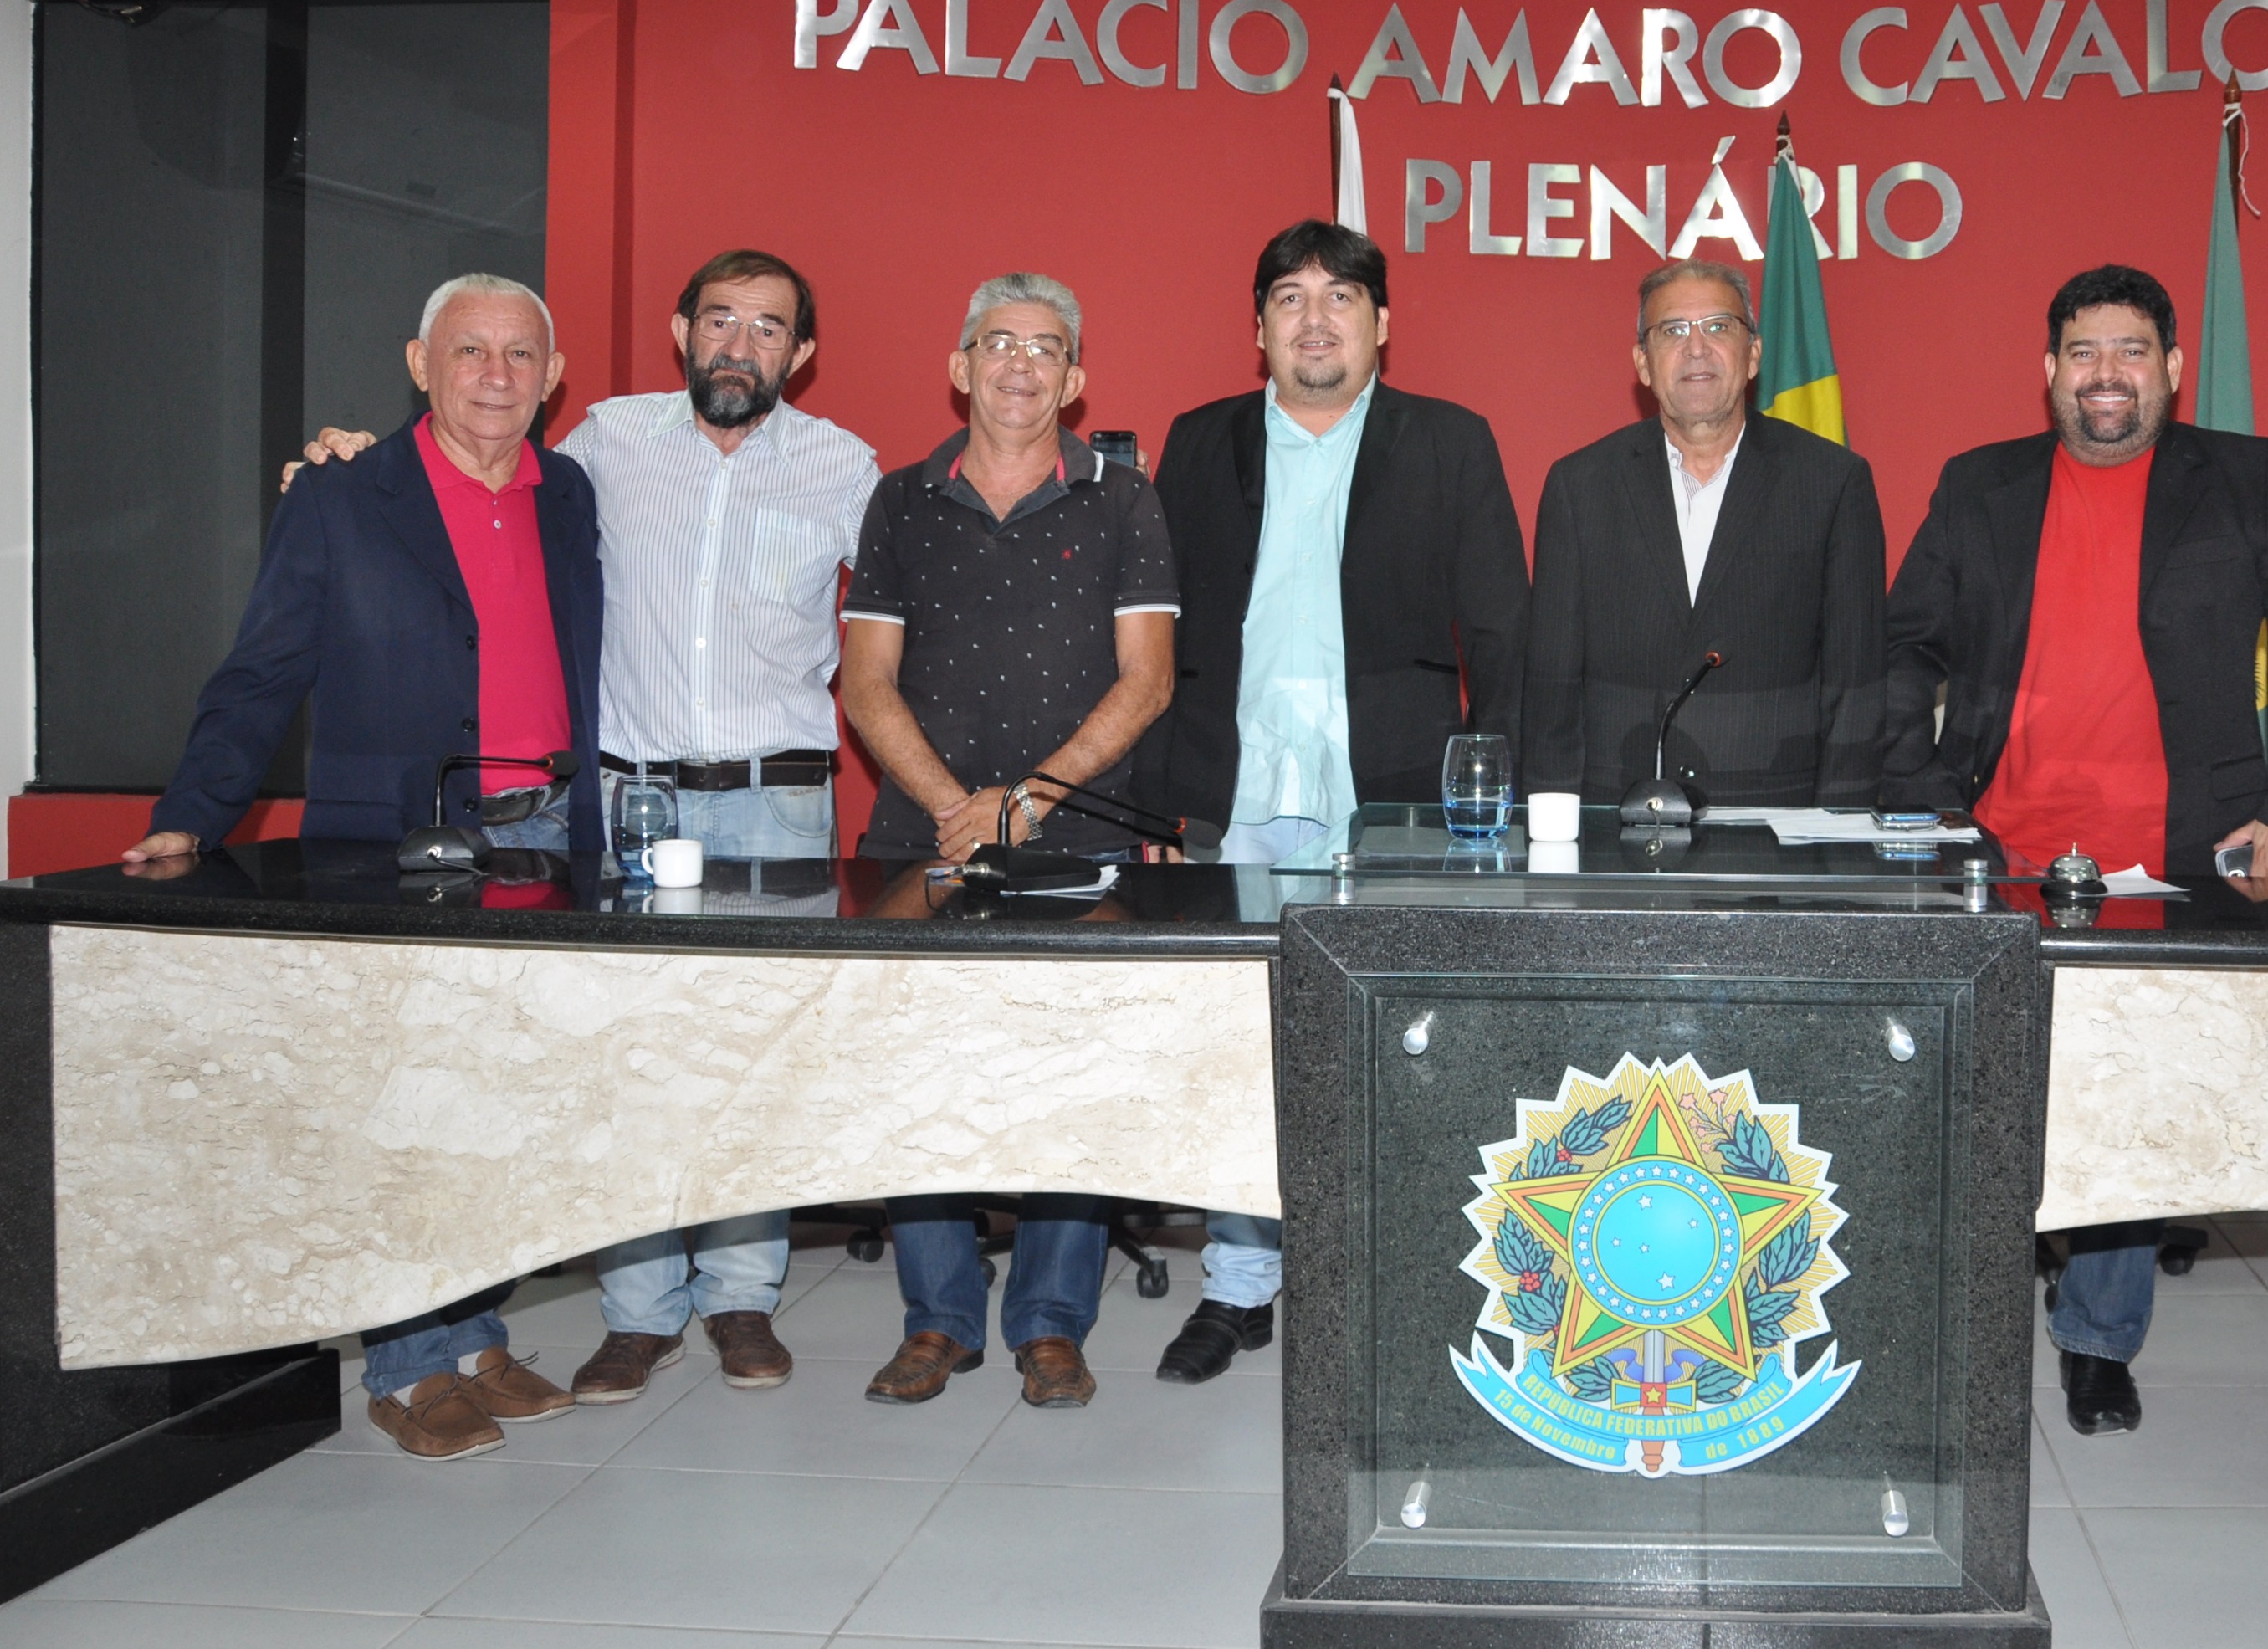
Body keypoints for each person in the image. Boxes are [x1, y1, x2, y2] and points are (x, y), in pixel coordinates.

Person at [292, 248, 880, 1406]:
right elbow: (465, 472)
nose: (739, 345)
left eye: (768, 328)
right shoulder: (605, 443)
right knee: (628, 1056)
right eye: (720, 319)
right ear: (680, 329)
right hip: (627, 801)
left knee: (755, 1057)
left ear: (800, 353)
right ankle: (638, 1313)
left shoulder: (845, 465)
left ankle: (742, 1297)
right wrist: (350, 459)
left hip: (778, 801)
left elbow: (926, 589)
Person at [1882, 264, 2268, 1437]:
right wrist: (1921, 798)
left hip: (2176, 852)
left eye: (2132, 350)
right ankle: (1972, 1311)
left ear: (2173, 368)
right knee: (1989, 1095)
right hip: (2001, 847)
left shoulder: (2247, 476)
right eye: (2084, 351)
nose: (2107, 373)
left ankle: (2098, 1335)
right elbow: (1903, 646)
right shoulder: (1980, 483)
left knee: (2131, 1099)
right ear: (2048, 370)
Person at [131, 274, 602, 1459]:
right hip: (397, 842)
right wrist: (192, 813)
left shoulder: (568, 490)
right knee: (404, 1108)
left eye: (519, 354)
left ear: (553, 377)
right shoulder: (343, 492)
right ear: (418, 362)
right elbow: (263, 667)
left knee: (502, 1105)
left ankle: (476, 1335)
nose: (495, 375)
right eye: (468, 350)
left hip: (546, 836)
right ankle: (405, 1363)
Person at [1137, 220, 1528, 1382]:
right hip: (1233, 797)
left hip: (1394, 801)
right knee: (1240, 1049)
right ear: (1258, 326)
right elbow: (1153, 635)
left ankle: (1400, 1285)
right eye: (1291, 298)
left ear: (1382, 324)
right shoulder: (1199, 440)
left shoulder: (1449, 441)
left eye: (1341, 298)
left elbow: (1501, 633)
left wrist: (1494, 802)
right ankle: (1237, 1287)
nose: (1316, 320)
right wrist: (1157, 806)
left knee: (1403, 1048)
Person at [838, 272, 1177, 1407]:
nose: (1019, 364)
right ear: (959, 366)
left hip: (1072, 833)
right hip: (918, 833)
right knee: (915, 1074)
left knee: (1075, 1076)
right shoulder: (901, 500)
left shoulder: (1125, 501)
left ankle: (1049, 1322)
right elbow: (866, 681)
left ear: (1075, 380)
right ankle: (938, 1318)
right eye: (997, 343)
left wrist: (1022, 802)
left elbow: (1148, 680)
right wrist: (956, 805)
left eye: (1044, 348)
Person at [1523, 260, 1887, 807]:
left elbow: (1856, 691)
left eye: (1718, 326)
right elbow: (1551, 692)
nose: (1696, 348)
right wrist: (1552, 835)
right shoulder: (1580, 486)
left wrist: (1839, 836)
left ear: (1753, 354)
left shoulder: (1832, 482)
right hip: (1615, 817)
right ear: (1643, 363)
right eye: (1673, 331)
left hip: (1775, 820)